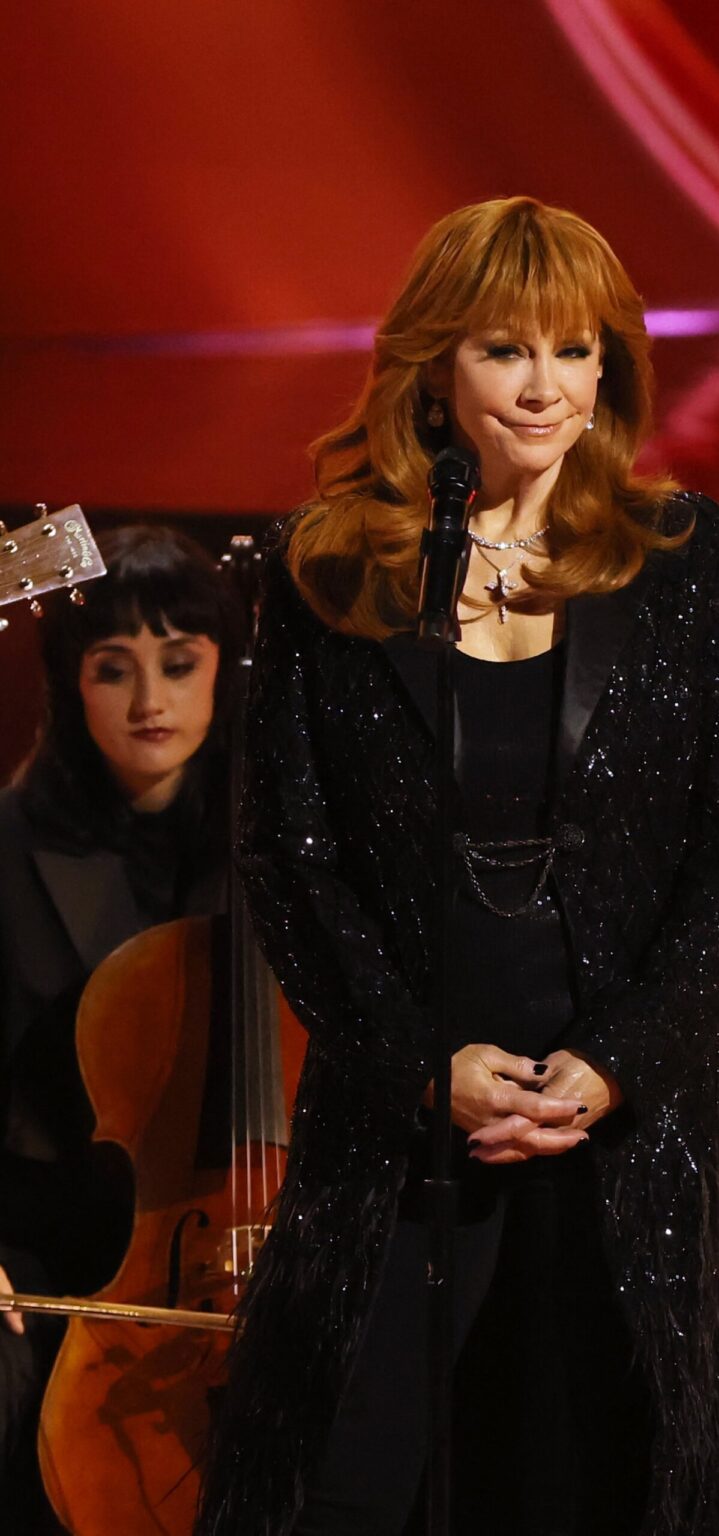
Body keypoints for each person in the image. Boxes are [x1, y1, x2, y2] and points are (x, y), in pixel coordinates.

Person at [197, 196, 719, 1536]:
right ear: (434, 371)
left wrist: (624, 1055)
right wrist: (421, 1062)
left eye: (575, 351)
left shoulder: (686, 558)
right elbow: (291, 858)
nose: (544, 388)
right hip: (403, 1133)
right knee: (363, 1485)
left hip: (630, 1136)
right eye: (505, 351)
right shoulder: (331, 569)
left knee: (604, 1479)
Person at [0, 523, 244, 1531]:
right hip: (43, 1252)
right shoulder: (7, 844)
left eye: (180, 664)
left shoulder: (279, 846)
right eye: (115, 670)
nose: (151, 702)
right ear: (71, 684)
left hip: (234, 1249)